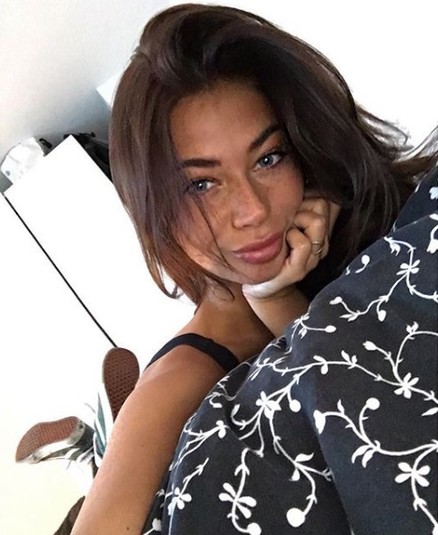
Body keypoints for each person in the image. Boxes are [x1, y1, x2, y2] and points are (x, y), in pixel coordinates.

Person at [72, 4, 437, 534]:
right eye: (201, 184)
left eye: (268, 158)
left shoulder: (358, 250)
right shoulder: (178, 380)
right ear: (153, 209)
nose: (252, 211)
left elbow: (352, 388)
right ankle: (97, 446)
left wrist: (274, 296)